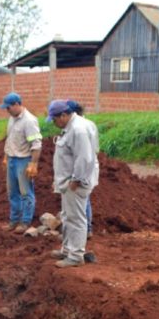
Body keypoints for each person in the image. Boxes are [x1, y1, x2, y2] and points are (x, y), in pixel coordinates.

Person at [47, 99, 98, 268]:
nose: (54, 124)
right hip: (68, 181)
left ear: (63, 115)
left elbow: (84, 157)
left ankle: (76, 256)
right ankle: (68, 249)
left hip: (75, 182)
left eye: (54, 120)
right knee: (68, 216)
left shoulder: (78, 130)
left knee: (76, 218)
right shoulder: (73, 127)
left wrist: (76, 180)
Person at [0, 92, 42, 234]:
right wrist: (6, 156)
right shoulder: (12, 118)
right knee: (12, 192)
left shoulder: (29, 121)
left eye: (9, 108)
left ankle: (25, 222)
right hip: (12, 159)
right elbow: (9, 138)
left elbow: (36, 144)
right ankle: (13, 220)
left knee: (26, 193)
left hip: (23, 160)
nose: (7, 111)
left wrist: (33, 164)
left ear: (17, 104)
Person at [67, 100, 99, 238]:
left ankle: (85, 230)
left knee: (82, 200)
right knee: (84, 199)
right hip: (87, 167)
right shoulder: (88, 124)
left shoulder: (79, 128)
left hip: (82, 169)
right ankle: (86, 229)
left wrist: (76, 177)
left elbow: (83, 156)